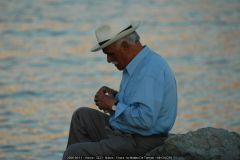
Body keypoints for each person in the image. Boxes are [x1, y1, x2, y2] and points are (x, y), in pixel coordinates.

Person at [62, 21, 177, 159]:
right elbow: (138, 103)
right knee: (82, 117)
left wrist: (112, 104)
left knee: (74, 153)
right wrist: (116, 97)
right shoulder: (138, 64)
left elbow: (145, 120)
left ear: (125, 46)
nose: (108, 60)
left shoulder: (149, 71)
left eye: (110, 54)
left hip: (142, 141)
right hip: (128, 133)